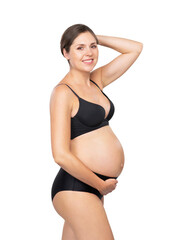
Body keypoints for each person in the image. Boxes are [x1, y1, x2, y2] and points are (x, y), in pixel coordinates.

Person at [49, 23, 143, 240]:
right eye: (79, 48)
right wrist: (100, 184)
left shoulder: (97, 81)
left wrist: (94, 37)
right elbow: (60, 154)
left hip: (91, 189)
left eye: (92, 46)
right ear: (66, 53)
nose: (89, 52)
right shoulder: (63, 93)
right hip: (76, 187)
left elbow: (135, 49)